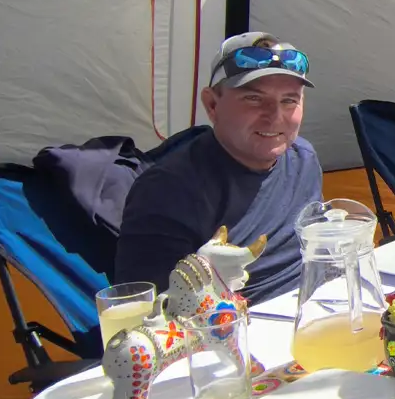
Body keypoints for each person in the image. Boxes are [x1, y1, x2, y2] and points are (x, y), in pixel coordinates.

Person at [115, 32, 323, 304]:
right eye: (254, 99)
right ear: (212, 104)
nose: (275, 117)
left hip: (319, 309)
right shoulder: (169, 190)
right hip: (236, 332)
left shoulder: (303, 159)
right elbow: (144, 312)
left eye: (289, 100)